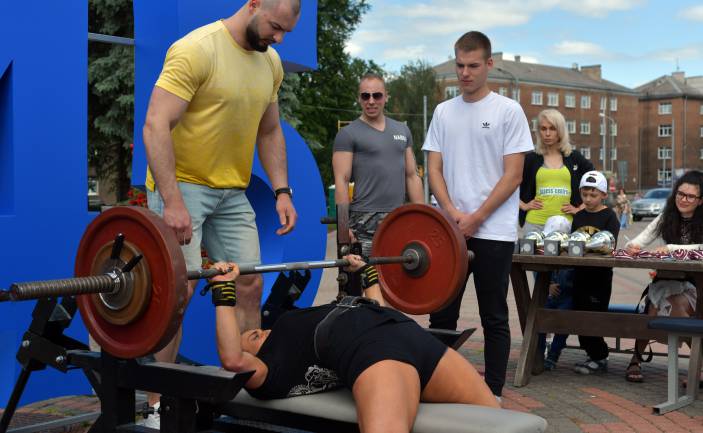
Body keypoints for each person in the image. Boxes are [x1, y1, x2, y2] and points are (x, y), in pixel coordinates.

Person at [141, 0, 301, 421]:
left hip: (232, 191)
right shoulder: (197, 49)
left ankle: (244, 390)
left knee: (249, 283)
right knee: (180, 291)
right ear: (253, 5)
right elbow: (155, 123)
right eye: (275, 26)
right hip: (184, 185)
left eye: (285, 31)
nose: (278, 38)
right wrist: (173, 201)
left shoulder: (271, 63)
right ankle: (158, 404)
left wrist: (282, 191)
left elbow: (269, 130)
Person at [207, 257, 499, 433]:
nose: (263, 330)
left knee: (500, 423)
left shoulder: (291, 329)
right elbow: (233, 359)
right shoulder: (270, 373)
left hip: (404, 330)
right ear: (257, 359)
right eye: (255, 336)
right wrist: (223, 290)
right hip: (377, 353)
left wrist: (366, 273)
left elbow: (374, 308)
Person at [422, 31, 533, 398]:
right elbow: (433, 169)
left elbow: (513, 174)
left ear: (489, 65)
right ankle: (437, 388)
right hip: (449, 230)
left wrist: (476, 217)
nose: (465, 73)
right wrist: (453, 214)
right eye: (459, 66)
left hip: (494, 232)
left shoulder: (508, 111)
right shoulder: (443, 111)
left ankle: (493, 394)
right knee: (441, 314)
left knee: (494, 316)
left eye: (473, 66)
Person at [623, 170, 703, 383]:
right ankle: (637, 359)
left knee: (675, 303)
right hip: (665, 280)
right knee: (652, 307)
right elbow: (638, 241)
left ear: (701, 200)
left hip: (696, 284)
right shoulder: (666, 216)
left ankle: (696, 367)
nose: (683, 199)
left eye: (690, 196)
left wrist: (670, 248)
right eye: (680, 193)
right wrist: (631, 247)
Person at [332, 73, 424, 258]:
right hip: (363, 221)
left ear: (386, 97)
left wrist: (422, 218)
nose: (371, 101)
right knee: (366, 281)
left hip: (397, 218)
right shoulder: (348, 134)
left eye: (377, 95)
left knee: (396, 281)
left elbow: (412, 176)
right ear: (359, 98)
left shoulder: (402, 130)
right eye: (366, 96)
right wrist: (343, 227)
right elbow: (341, 180)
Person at [571, 171, 620, 374]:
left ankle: (600, 356)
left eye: (593, 195)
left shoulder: (610, 217)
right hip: (580, 275)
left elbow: (610, 245)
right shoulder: (579, 216)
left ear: (603, 195)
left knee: (594, 317)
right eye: (585, 195)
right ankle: (593, 355)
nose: (588, 200)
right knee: (580, 317)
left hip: (599, 277)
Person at [519, 109, 594, 234]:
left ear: (560, 131)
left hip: (565, 224)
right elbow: (509, 182)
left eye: (552, 128)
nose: (547, 133)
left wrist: (580, 208)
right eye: (543, 129)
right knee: (531, 254)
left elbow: (596, 182)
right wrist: (523, 205)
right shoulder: (531, 159)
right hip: (535, 224)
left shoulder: (573, 157)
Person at [536, 216, 575, 372]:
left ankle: (553, 354)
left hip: (567, 296)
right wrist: (548, 286)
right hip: (550, 295)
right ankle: (538, 352)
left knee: (563, 322)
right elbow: (539, 274)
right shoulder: (544, 251)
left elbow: (577, 277)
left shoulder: (573, 252)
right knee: (538, 319)